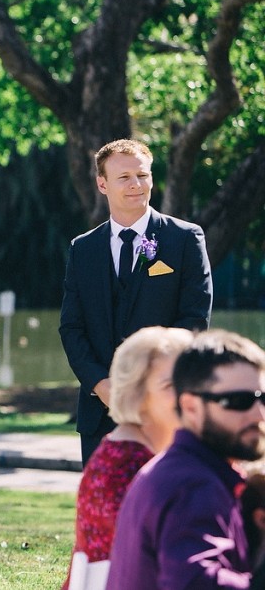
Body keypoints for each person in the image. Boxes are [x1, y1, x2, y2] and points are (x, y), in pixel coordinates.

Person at [59, 138, 212, 464]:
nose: (136, 185)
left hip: (163, 408)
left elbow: (194, 320)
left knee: (164, 511)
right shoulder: (82, 249)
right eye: (124, 177)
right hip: (99, 412)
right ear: (102, 184)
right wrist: (100, 384)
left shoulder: (184, 239)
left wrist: (150, 383)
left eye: (142, 175)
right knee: (103, 515)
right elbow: (72, 327)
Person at [107, 329, 265, 589]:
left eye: (262, 399)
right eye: (238, 401)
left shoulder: (177, 469)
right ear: (191, 407)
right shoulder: (192, 483)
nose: (258, 415)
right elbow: (193, 581)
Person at [63, 326, 192, 590]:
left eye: (192, 381)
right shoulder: (129, 469)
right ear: (137, 393)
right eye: (171, 385)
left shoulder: (131, 452)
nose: (187, 395)